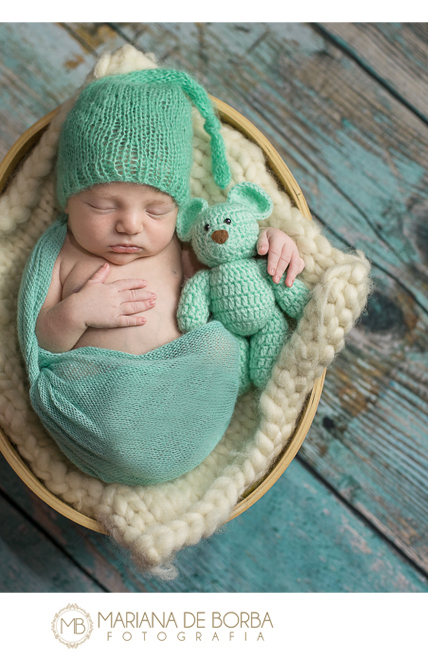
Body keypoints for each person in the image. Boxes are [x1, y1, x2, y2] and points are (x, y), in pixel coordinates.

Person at [19, 68, 306, 486]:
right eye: (103, 206)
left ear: (177, 209)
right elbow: (41, 342)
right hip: (107, 411)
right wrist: (77, 312)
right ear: (68, 199)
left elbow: (230, 267)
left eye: (155, 210)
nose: (130, 225)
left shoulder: (182, 243)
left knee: (222, 347)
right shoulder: (61, 253)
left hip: (192, 395)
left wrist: (272, 245)